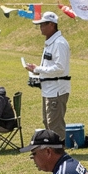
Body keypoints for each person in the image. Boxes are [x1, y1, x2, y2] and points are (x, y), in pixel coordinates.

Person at [25, 10, 71, 141]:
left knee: (55, 125)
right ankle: (53, 150)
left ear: (52, 25)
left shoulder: (59, 43)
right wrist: (36, 71)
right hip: (48, 89)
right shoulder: (51, 42)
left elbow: (60, 67)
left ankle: (59, 152)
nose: (40, 27)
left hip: (57, 90)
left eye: (43, 24)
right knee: (47, 122)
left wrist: (38, 69)